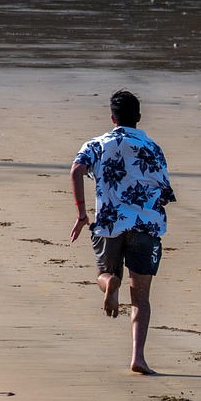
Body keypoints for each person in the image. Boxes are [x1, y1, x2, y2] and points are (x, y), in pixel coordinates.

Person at [70, 89, 176, 374]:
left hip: (109, 224)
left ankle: (109, 284)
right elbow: (165, 193)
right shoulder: (152, 147)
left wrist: (81, 214)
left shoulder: (97, 144)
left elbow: (76, 170)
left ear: (112, 117)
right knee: (141, 297)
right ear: (138, 117)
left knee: (104, 275)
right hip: (145, 225)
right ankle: (138, 358)